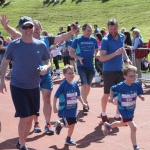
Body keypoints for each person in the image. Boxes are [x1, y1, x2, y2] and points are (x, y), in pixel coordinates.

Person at [0, 14, 78, 134]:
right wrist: (6, 26)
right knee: (32, 105)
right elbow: (15, 31)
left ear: (40, 29)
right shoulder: (24, 37)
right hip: (29, 75)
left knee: (47, 98)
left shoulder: (46, 40)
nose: (33, 30)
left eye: (36, 27)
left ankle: (48, 124)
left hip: (45, 74)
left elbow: (62, 36)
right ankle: (36, 122)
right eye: (32, 27)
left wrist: (71, 32)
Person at [0, 16, 51, 150]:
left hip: (34, 85)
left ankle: (21, 140)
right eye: (25, 27)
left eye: (30, 27)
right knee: (25, 117)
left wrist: (45, 68)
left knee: (30, 118)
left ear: (33, 28)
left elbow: (47, 61)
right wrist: (2, 81)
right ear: (20, 29)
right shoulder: (13, 45)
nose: (28, 30)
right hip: (18, 86)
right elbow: (5, 62)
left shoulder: (41, 45)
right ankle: (23, 145)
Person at [103, 65, 145, 150]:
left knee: (123, 123)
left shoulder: (136, 84)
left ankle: (109, 126)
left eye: (134, 75)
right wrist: (111, 98)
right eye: (130, 76)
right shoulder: (121, 85)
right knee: (133, 127)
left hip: (131, 108)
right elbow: (112, 89)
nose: (133, 78)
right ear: (125, 76)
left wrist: (140, 96)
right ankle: (135, 146)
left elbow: (139, 92)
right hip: (123, 109)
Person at [99, 18, 131, 123]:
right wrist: (115, 54)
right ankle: (103, 113)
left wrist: (127, 59)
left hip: (120, 70)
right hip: (108, 71)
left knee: (121, 94)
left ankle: (117, 115)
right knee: (107, 94)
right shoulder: (105, 40)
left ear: (117, 27)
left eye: (114, 29)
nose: (113, 31)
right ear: (108, 28)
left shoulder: (121, 36)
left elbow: (122, 50)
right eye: (111, 29)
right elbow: (102, 57)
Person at [53, 65, 87, 146]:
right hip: (65, 109)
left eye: (73, 72)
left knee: (72, 124)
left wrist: (83, 103)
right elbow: (55, 96)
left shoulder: (75, 84)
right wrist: (54, 107)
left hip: (73, 109)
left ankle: (68, 138)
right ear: (64, 74)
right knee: (69, 125)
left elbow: (78, 95)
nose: (71, 74)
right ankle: (60, 125)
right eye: (69, 73)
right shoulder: (63, 85)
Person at [70, 23, 99, 113]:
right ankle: (84, 103)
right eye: (88, 31)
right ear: (83, 30)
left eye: (90, 31)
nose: (89, 32)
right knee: (84, 85)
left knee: (88, 86)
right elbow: (71, 53)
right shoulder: (77, 40)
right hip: (81, 66)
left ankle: (85, 101)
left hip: (90, 66)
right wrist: (78, 58)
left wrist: (98, 54)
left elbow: (97, 50)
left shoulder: (93, 40)